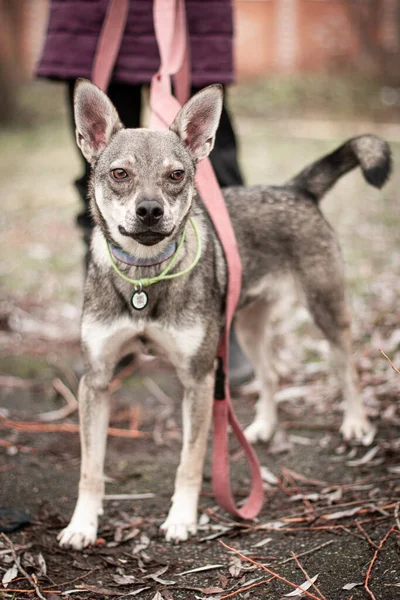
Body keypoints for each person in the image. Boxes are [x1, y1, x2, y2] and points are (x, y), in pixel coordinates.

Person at [37, 0, 252, 387]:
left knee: (218, 184)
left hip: (193, 14)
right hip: (92, 14)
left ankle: (217, 326)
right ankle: (108, 325)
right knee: (106, 182)